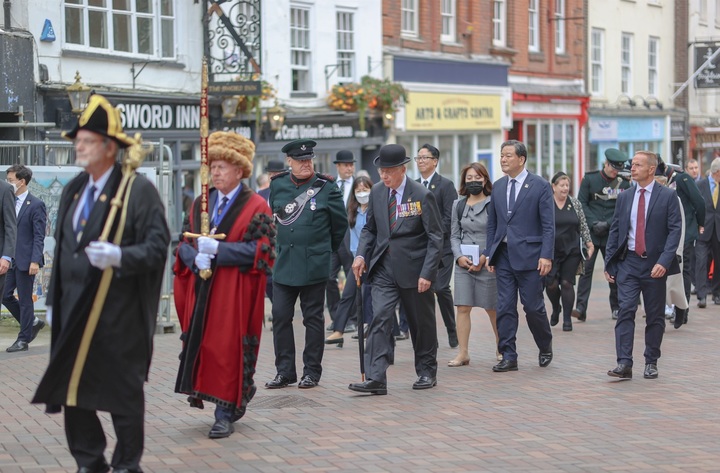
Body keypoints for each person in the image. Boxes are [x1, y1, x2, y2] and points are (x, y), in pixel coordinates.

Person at [32, 94, 170, 473]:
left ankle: (127, 463)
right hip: (74, 308)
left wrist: (121, 256)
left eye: (87, 140)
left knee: (123, 394)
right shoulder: (75, 187)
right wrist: (52, 298)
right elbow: (62, 250)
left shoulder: (136, 190)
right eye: (78, 139)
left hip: (118, 312)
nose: (79, 145)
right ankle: (89, 461)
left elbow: (158, 247)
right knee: (73, 388)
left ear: (110, 147)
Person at [174, 131, 275, 439]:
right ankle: (220, 399)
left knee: (228, 350)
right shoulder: (200, 204)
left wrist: (219, 251)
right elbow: (183, 242)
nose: (214, 172)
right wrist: (194, 258)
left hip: (235, 292)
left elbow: (263, 253)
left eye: (221, 167)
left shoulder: (257, 206)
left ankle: (225, 412)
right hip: (204, 291)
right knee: (206, 346)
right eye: (212, 166)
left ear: (239, 170)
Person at [348, 144, 442, 395]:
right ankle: (376, 377)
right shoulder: (378, 192)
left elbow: (435, 237)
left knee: (420, 323)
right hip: (383, 269)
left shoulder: (421, 194)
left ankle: (426, 371)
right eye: (381, 171)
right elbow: (370, 229)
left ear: (402, 169)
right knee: (379, 317)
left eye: (389, 171)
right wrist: (360, 255)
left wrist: (427, 273)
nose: (384, 176)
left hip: (414, 270)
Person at [266, 139, 347, 389]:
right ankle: (285, 371)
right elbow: (277, 220)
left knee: (312, 318)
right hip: (285, 264)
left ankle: (311, 372)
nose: (305, 164)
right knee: (279, 316)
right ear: (289, 162)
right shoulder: (278, 185)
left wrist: (323, 251)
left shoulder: (327, 187)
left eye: (309, 160)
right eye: (300, 161)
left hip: (314, 264)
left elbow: (339, 226)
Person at [604, 150, 682, 380]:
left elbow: (674, 231)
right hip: (628, 263)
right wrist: (609, 263)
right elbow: (616, 231)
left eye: (638, 165)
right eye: (632, 164)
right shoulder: (625, 197)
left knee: (655, 316)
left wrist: (664, 262)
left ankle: (651, 361)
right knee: (625, 310)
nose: (633, 168)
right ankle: (624, 363)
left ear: (651, 169)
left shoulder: (667, 196)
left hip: (654, 265)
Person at [484, 139, 554, 372]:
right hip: (503, 256)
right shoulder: (498, 186)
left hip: (531, 256)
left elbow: (548, 225)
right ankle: (508, 355)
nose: (503, 159)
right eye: (501, 155)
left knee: (533, 307)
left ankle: (544, 345)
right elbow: (492, 224)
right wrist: (489, 253)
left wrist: (546, 255)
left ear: (521, 159)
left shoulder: (540, 186)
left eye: (508, 155)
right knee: (504, 306)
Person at [448, 162, 499, 367]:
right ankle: (463, 353)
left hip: (488, 263)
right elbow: (453, 235)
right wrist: (459, 256)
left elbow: (497, 234)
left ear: (485, 180)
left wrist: (486, 257)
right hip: (463, 264)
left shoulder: (493, 203)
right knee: (462, 307)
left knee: (492, 308)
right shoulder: (457, 205)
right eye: (469, 178)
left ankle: (501, 346)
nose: (473, 181)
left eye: (477, 178)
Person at [573, 148, 632, 321]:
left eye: (618, 170)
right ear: (606, 164)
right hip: (591, 234)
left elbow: (624, 209)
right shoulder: (590, 179)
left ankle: (616, 307)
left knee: (613, 272)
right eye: (613, 168)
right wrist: (593, 223)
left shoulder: (624, 184)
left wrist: (608, 224)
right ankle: (581, 308)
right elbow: (582, 203)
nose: (615, 172)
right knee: (586, 271)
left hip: (612, 234)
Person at [415, 143, 459, 348]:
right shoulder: (413, 186)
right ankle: (428, 335)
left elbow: (450, 217)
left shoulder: (445, 185)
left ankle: (452, 329)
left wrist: (432, 233)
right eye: (418, 158)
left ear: (435, 161)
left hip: (443, 247)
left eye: (425, 157)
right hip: (419, 248)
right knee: (422, 293)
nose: (421, 161)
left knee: (441, 288)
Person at [325, 176, 374, 345]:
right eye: (358, 190)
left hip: (374, 262)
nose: (362, 193)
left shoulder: (375, 210)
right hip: (357, 262)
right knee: (347, 295)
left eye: (365, 189)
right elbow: (351, 239)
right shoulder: (352, 211)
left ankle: (384, 333)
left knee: (372, 298)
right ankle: (339, 330)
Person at [3, 165, 46, 352]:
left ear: (22, 181)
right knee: (5, 295)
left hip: (27, 260)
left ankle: (23, 339)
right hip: (9, 258)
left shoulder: (36, 204)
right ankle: (33, 322)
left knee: (26, 299)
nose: (8, 183)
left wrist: (35, 260)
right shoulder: (7, 200)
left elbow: (39, 236)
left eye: (11, 180)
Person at [545, 172, 593, 332]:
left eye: (567, 185)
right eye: (562, 185)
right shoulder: (546, 203)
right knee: (550, 285)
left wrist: (589, 243)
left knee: (566, 283)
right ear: (553, 187)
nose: (565, 188)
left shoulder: (575, 203)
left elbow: (583, 224)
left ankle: (566, 319)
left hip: (571, 250)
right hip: (550, 251)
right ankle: (556, 308)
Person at [662, 160, 704, 328]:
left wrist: (700, 224)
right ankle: (674, 309)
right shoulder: (667, 181)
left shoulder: (682, 179)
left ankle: (682, 310)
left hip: (685, 233)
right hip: (671, 234)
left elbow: (699, 202)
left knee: (683, 270)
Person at [325, 150, 356, 332]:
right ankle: (337, 318)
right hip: (332, 240)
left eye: (351, 164)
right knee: (328, 277)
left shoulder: (358, 187)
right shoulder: (330, 186)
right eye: (346, 165)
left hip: (351, 241)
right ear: (338, 166)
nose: (349, 168)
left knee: (351, 280)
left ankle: (352, 318)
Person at [694, 157, 720, 309]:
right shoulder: (700, 185)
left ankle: (716, 293)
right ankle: (702, 295)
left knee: (718, 263)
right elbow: (694, 208)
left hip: (718, 231)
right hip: (703, 231)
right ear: (717, 172)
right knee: (701, 262)